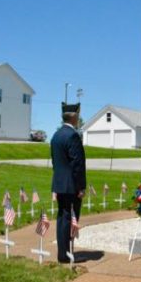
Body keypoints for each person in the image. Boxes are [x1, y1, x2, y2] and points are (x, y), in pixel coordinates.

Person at [51, 102, 86, 263]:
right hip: (72, 186)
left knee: (62, 219)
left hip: (59, 184)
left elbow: (56, 163)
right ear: (75, 116)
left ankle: (62, 252)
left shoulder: (56, 135)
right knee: (71, 218)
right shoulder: (73, 136)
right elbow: (77, 164)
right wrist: (81, 187)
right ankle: (66, 254)